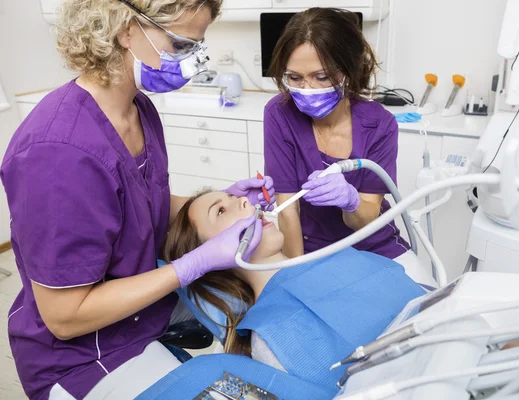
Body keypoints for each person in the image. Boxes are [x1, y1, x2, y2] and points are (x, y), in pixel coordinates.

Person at [1, 1, 274, 399]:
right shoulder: (58, 154)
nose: (194, 59)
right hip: (81, 358)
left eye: (198, 44)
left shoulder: (138, 109)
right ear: (127, 30)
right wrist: (191, 265)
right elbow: (64, 316)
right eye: (182, 45)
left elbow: (142, 205)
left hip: (140, 320)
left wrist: (224, 198)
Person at [162, 190, 426, 391]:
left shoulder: (343, 255)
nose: (245, 201)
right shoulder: (271, 343)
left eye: (234, 197)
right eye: (220, 211)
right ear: (210, 257)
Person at [263, 8, 418, 275]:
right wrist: (295, 276)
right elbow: (288, 211)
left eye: (321, 77)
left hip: (374, 246)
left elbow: (367, 217)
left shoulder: (379, 125)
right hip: (314, 252)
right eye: (294, 77)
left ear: (348, 70)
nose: (307, 89)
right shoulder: (280, 114)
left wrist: (351, 200)